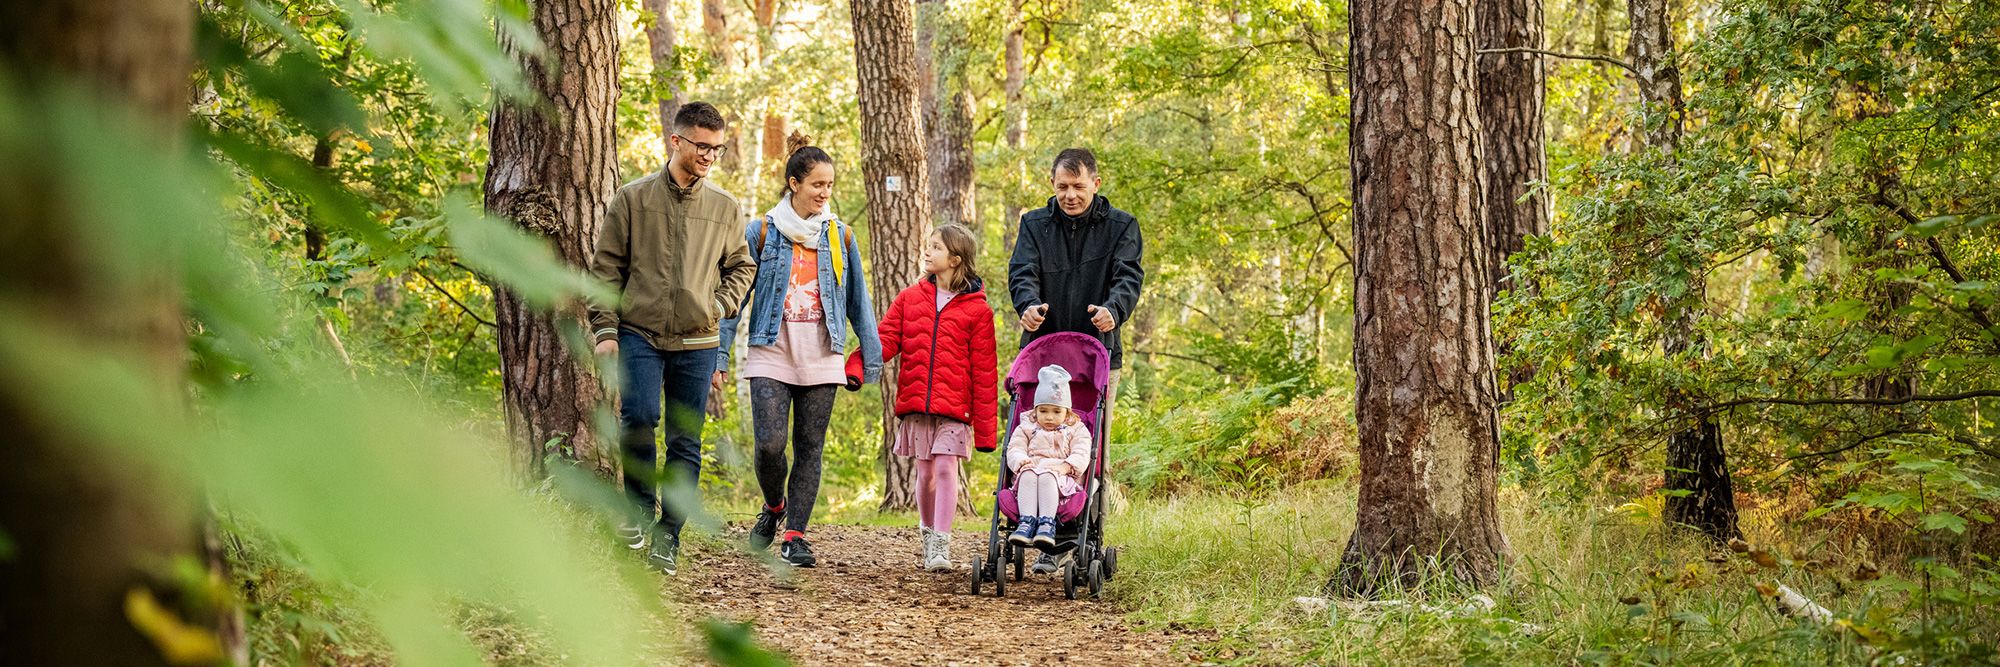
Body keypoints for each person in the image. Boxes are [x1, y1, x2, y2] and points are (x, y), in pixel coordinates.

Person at [588, 101, 756, 576]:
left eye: (716, 149)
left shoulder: (725, 208)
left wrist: (719, 307)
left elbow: (743, 266)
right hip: (638, 331)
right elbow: (605, 270)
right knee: (637, 418)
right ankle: (638, 510)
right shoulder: (633, 198)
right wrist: (605, 331)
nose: (708, 156)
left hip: (698, 342)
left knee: (685, 442)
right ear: (676, 141)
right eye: (701, 146)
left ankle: (669, 537)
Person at [718, 133, 882, 568]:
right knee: (770, 445)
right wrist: (718, 354)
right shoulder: (762, 231)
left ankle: (795, 535)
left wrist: (871, 356)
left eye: (829, 185)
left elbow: (858, 302)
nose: (825, 193)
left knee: (810, 445)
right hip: (771, 347)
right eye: (817, 185)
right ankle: (774, 506)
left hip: (823, 351)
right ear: (794, 183)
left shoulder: (840, 236)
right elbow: (734, 295)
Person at [1007, 147, 1142, 572]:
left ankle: (1080, 537)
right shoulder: (1034, 224)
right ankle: (1042, 532)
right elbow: (1021, 273)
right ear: (1052, 184)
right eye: (1062, 187)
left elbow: (1128, 276)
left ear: (1095, 184)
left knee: (1087, 449)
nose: (1070, 195)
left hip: (1097, 358)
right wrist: (1026, 304)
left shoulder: (1122, 227)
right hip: (1042, 358)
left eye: (1078, 187)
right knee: (1036, 439)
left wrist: (1113, 310)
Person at [853, 224, 998, 571]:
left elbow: (984, 371)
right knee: (926, 474)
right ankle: (927, 533)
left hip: (955, 409)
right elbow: (885, 339)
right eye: (928, 245)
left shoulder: (978, 312)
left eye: (936, 247)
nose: (927, 251)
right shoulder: (910, 298)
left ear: (955, 259)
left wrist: (988, 433)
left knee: (947, 468)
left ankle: (941, 547)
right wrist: (856, 365)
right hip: (917, 403)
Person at [1005, 365, 1091, 550]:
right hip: (1029, 473)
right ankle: (1026, 522)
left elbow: (1082, 452)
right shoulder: (1026, 427)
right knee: (1028, 474)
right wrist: (1021, 461)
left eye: (1056, 411)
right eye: (1043, 411)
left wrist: (1067, 466)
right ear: (1035, 411)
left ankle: (1046, 523)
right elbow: (1014, 448)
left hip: (1061, 478)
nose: (1049, 417)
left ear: (1067, 412)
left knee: (1047, 476)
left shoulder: (1076, 429)